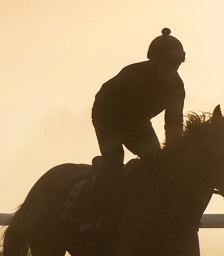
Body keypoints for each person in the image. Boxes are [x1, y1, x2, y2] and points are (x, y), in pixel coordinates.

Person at [80, 27, 187, 235]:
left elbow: (173, 125)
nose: (171, 71)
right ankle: (90, 217)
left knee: (160, 163)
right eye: (167, 65)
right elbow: (119, 122)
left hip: (137, 120)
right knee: (114, 160)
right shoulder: (132, 75)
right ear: (154, 61)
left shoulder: (177, 87)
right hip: (108, 115)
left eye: (176, 65)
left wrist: (175, 156)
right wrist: (143, 151)